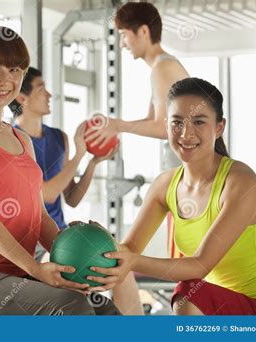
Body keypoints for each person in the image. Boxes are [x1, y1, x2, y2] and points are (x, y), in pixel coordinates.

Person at [0, 26, 120, 316]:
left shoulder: (22, 139)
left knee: (102, 306)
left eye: (14, 69)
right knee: (72, 306)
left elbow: (40, 214)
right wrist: (35, 268)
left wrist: (75, 251)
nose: (4, 79)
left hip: (14, 273)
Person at [84, 78, 256, 315]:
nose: (186, 133)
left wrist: (131, 259)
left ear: (219, 127)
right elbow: (128, 249)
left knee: (189, 291)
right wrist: (93, 243)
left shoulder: (241, 181)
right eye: (177, 122)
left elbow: (200, 265)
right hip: (219, 309)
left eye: (199, 122)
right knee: (124, 268)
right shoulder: (165, 184)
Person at [85, 2, 191, 314]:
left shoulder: (163, 67)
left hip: (189, 177)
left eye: (124, 35)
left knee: (187, 260)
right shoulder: (159, 68)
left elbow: (162, 128)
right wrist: (118, 131)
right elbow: (152, 119)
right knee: (174, 253)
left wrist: (117, 125)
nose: (123, 43)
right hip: (178, 177)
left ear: (143, 31)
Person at [10, 67, 116, 250]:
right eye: (41, 88)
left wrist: (93, 162)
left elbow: (72, 199)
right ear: (21, 98)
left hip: (60, 236)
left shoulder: (59, 138)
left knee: (113, 264)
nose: (49, 95)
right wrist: (79, 155)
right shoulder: (11, 139)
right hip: (29, 241)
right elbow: (48, 195)